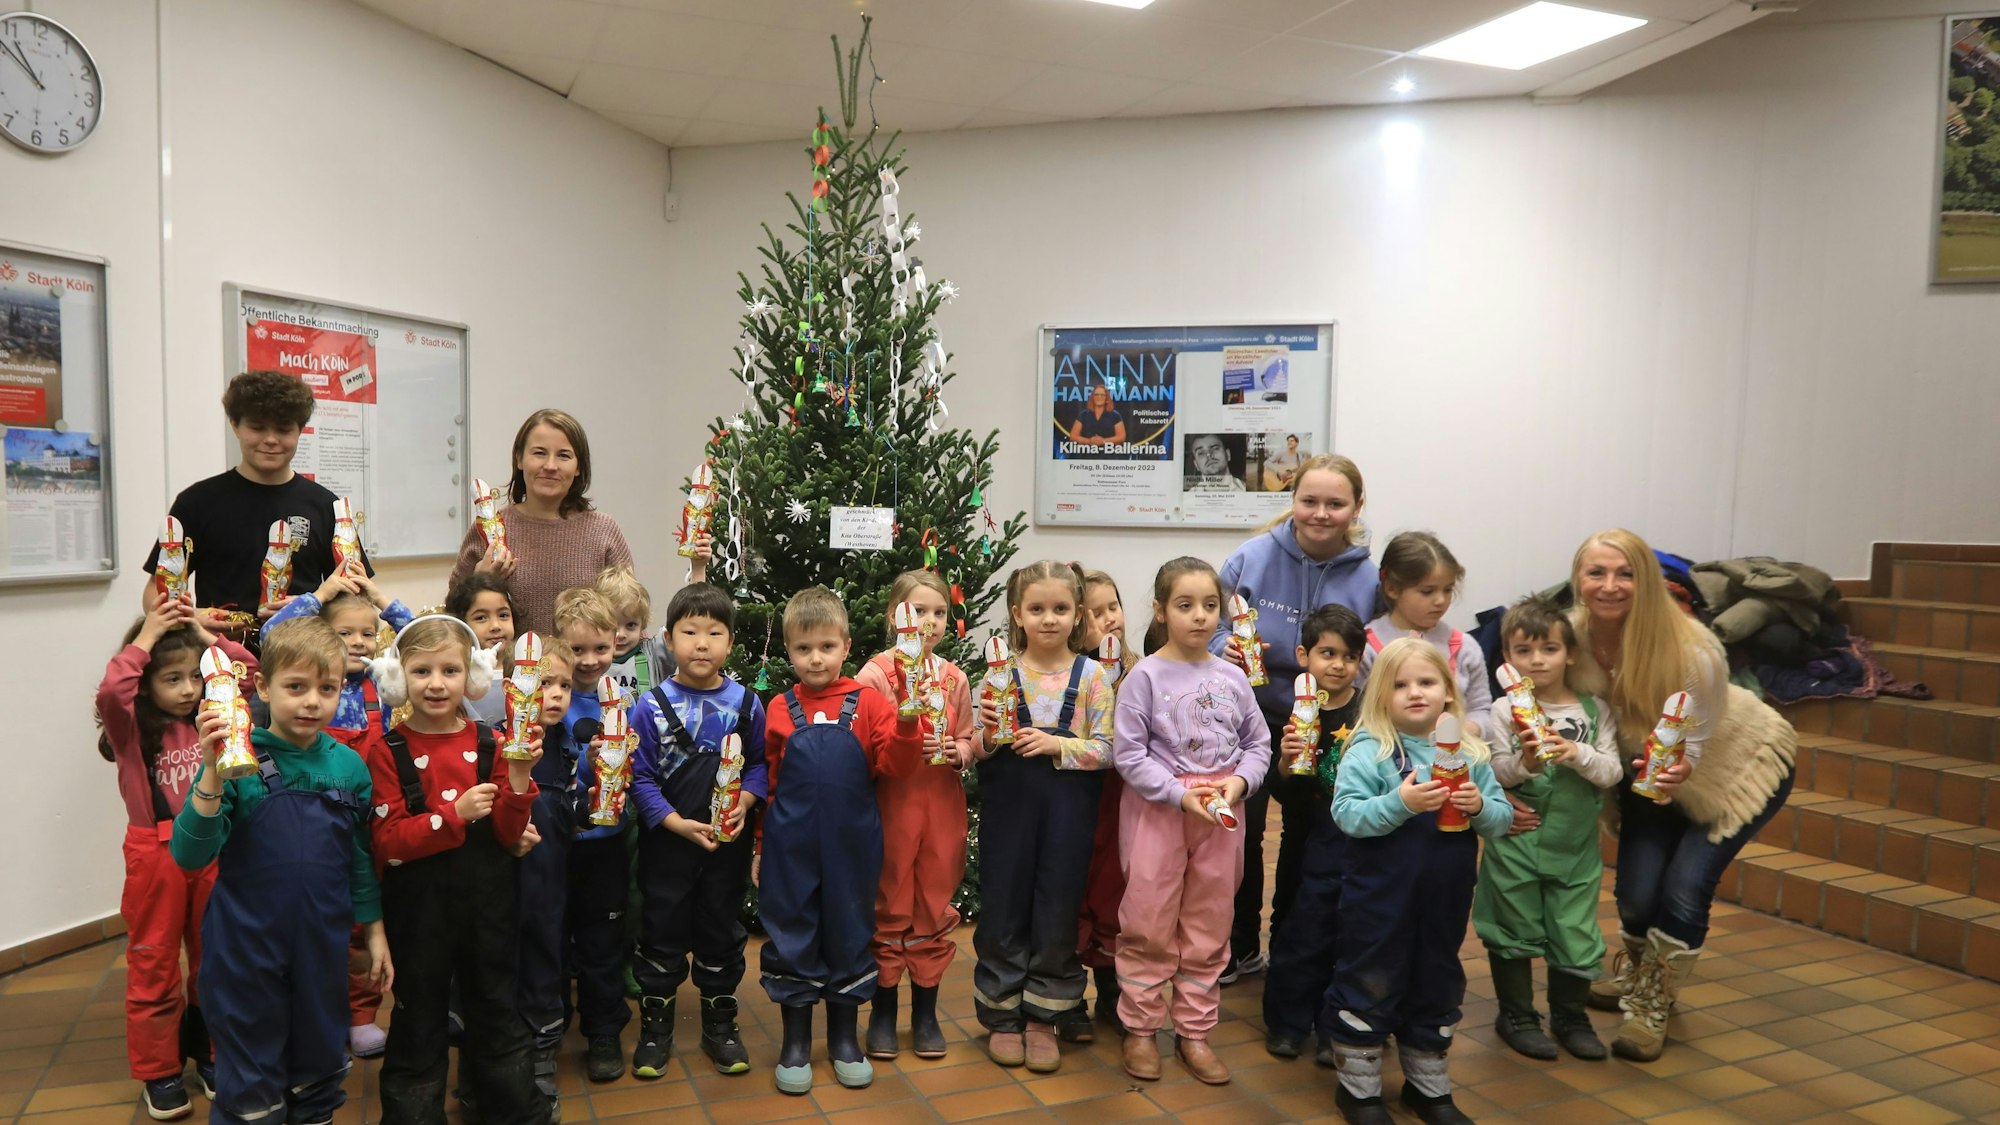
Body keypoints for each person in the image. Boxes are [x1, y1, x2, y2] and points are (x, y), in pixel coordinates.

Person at [1569, 529, 1796, 1062]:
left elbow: (1692, 746)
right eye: (1596, 572)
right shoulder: (1569, 637)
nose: (1610, 585)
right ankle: (1641, 973)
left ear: (1646, 580)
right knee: (1637, 895)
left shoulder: (1693, 650)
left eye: (1625, 573)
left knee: (1685, 887)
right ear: (1577, 579)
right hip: (1649, 774)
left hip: (1736, 770)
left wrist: (1678, 771)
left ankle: (1654, 1000)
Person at [170, 617, 389, 1125]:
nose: (312, 701)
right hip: (244, 950)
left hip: (321, 947)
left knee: (317, 1068)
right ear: (263, 687)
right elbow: (189, 856)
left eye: (327, 688)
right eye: (296, 687)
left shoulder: (350, 768)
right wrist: (210, 767)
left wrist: (374, 931)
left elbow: (358, 858)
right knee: (251, 1084)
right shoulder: (237, 761)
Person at [360, 616, 540, 1124]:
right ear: (398, 678)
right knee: (418, 1018)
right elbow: (388, 842)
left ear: (473, 676)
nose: (436, 683)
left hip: (489, 908)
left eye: (449, 670)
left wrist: (520, 782)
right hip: (419, 916)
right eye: (420, 671)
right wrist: (452, 816)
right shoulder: (386, 751)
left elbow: (508, 834)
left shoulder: (493, 743)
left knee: (496, 1010)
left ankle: (509, 1110)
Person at [1326, 638, 1510, 1125]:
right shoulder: (1372, 750)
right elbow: (1347, 814)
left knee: (1436, 979)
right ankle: (1359, 1091)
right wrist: (1401, 803)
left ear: (1448, 692)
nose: (1415, 693)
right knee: (1372, 978)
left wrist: (1480, 807)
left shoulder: (1470, 752)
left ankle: (1428, 1088)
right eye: (1400, 685)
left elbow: (1501, 820)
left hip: (1444, 899)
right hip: (1379, 900)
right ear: (1381, 695)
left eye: (1426, 682)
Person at [1212, 453, 1376, 982]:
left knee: (1313, 837)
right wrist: (1223, 647)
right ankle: (1239, 947)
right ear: (1293, 502)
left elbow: (1379, 651)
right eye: (1309, 501)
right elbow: (1208, 623)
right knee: (1243, 831)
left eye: (1335, 503)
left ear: (1356, 508)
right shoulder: (1251, 558)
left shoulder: (1370, 578)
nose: (1321, 514)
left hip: (1335, 728)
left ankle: (1294, 948)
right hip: (1251, 719)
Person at [758, 586, 924, 1095]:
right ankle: (795, 1043)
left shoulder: (870, 703)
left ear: (846, 646)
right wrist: (762, 846)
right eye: (804, 648)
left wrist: (908, 722)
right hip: (791, 849)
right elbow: (768, 780)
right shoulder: (780, 709)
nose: (815, 658)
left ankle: (844, 1039)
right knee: (792, 932)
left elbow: (895, 766)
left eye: (826, 647)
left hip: (852, 847)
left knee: (850, 931)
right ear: (789, 651)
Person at [1112, 557, 1270, 1086]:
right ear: (1160, 611)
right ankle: (1139, 1028)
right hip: (1161, 813)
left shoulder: (1233, 677)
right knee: (1148, 921)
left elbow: (1258, 744)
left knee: (1209, 923)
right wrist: (1179, 796)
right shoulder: (1145, 677)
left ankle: (1195, 1033)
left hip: (1222, 817)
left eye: (1209, 606)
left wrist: (1240, 783)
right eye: (1185, 605)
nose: (1200, 617)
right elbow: (1129, 756)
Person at [97, 598, 251, 1119]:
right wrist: (147, 637)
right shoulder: (131, 731)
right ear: (147, 682)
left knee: (215, 958)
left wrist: (202, 635)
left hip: (210, 849)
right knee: (154, 962)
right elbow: (111, 692)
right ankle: (159, 1071)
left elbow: (250, 673)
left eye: (194, 678)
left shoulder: (213, 715)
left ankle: (210, 1053)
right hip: (154, 856)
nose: (188, 690)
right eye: (172, 679)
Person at [260, 570, 414, 1059]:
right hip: (310, 810)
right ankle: (316, 1015)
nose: (358, 642)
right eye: (344, 633)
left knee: (366, 920)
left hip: (367, 812)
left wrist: (380, 600)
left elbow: (419, 639)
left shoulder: (383, 682)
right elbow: (271, 635)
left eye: (367, 633)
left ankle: (363, 1016)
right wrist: (322, 594)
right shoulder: (315, 683)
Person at [971, 561, 1115, 1075]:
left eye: (1060, 608)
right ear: (1017, 615)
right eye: (1037, 609)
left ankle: (1044, 1016)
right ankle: (1002, 1013)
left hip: (1068, 816)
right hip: (1009, 813)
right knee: (1004, 906)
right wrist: (988, 734)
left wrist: (1058, 744)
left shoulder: (1094, 677)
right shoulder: (997, 675)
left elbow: (1109, 750)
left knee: (1057, 908)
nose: (1048, 619)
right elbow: (976, 747)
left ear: (1078, 615)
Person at [628, 583, 768, 1078]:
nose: (702, 643)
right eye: (690, 632)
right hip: (668, 843)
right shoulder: (648, 707)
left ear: (730, 642)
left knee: (720, 931)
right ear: (669, 638)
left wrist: (746, 802)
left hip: (726, 847)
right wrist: (673, 823)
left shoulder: (747, 704)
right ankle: (655, 1030)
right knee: (661, 933)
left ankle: (720, 1027)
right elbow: (638, 776)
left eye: (714, 632)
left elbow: (758, 766)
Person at [1473, 597, 1621, 1062]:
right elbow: (1496, 771)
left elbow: (1613, 771)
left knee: (1574, 929)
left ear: (1570, 654)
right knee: (1512, 926)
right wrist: (1526, 762)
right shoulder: (1503, 711)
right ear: (1508, 659)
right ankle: (1516, 1014)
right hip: (1517, 841)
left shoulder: (1594, 710)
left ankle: (1570, 1016)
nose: (1537, 660)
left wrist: (1578, 754)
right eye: (1523, 651)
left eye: (1549, 649)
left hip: (1575, 846)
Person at [144, 371, 371, 633]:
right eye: (257, 427)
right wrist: (191, 617)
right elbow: (153, 591)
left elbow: (358, 596)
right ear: (234, 425)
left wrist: (312, 605)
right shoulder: (197, 502)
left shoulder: (325, 506)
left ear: (301, 430)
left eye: (284, 429)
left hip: (304, 660)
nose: (271, 439)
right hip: (220, 660)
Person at [856, 570, 976, 1061]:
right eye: (918, 611)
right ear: (894, 616)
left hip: (941, 808)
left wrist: (960, 751)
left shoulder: (955, 677)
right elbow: (864, 743)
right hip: (892, 806)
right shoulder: (876, 675)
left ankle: (924, 1011)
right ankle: (883, 1010)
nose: (929, 622)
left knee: (932, 900)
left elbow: (970, 737)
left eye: (939, 612)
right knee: (890, 902)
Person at [1261, 604, 1365, 1064]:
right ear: (1304, 655)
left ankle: (1331, 1024)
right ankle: (1286, 1022)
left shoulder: (1369, 712)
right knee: (1294, 925)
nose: (1338, 665)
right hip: (1303, 836)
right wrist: (1285, 760)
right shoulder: (1295, 712)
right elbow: (1281, 788)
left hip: (1353, 841)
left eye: (1348, 656)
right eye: (1327, 653)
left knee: (1344, 931)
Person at [450, 410, 636, 637]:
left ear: (579, 467)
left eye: (564, 456)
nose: (550, 465)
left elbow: (630, 613)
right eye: (539, 453)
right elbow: (452, 619)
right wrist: (480, 581)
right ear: (519, 459)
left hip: (586, 669)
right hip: (508, 670)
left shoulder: (604, 530)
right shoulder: (491, 530)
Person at [550, 587, 632, 1081]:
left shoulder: (621, 698)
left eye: (600, 648)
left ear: (615, 642)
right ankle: (550, 1027)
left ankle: (603, 1031)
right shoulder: (548, 692)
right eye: (577, 649)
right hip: (557, 844)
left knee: (603, 943)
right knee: (552, 939)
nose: (589, 660)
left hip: (606, 844)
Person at [505, 635, 582, 1122]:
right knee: (503, 960)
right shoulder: (497, 738)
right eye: (542, 681)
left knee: (544, 957)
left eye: (564, 685)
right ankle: (494, 1061)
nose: (554, 694)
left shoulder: (568, 744)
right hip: (505, 881)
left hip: (551, 881)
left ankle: (540, 1056)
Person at [1062, 566, 1134, 1042]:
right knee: (1070, 892)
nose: (1109, 620)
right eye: (1094, 613)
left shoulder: (1136, 670)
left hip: (1120, 802)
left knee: (1113, 892)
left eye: (1114, 608)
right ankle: (1066, 998)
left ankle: (1112, 989)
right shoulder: (1065, 672)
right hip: (1073, 798)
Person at [1360, 531, 1495, 741]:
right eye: (1427, 591)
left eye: (1448, 590)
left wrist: (1464, 732)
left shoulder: (1464, 647)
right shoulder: (1366, 648)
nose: (1440, 600)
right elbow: (1358, 717)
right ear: (1392, 589)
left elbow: (1482, 710)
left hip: (1456, 763)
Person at [447, 573, 521, 727]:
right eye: (481, 618)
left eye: (503, 615)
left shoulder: (526, 670)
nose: (495, 626)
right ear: (462, 623)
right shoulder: (458, 672)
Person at [599, 565, 676, 697]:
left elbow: (693, 619)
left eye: (631, 625)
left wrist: (698, 568)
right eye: (611, 625)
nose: (620, 635)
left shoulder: (654, 653)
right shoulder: (590, 663)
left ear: (642, 625)